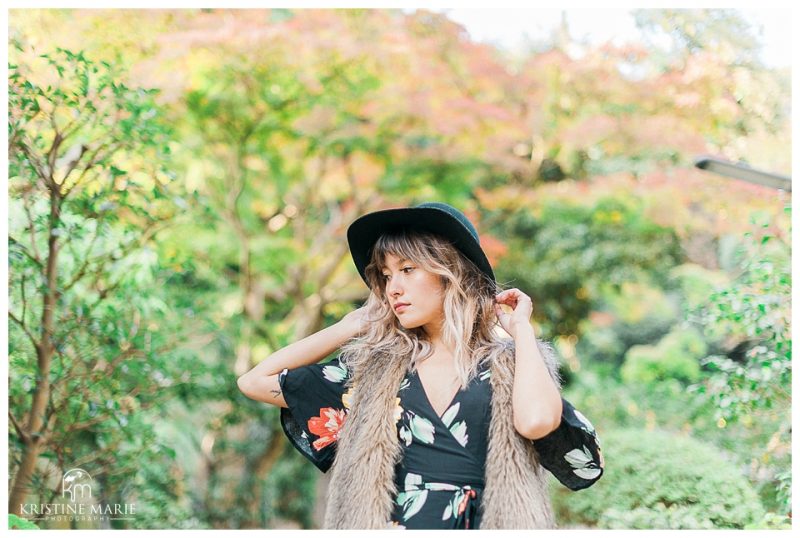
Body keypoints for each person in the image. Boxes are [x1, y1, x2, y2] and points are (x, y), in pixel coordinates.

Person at [238, 201, 604, 529]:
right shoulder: (373, 372)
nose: (392, 287)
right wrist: (347, 327)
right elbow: (255, 381)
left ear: (451, 273)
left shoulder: (510, 362)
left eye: (407, 269)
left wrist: (521, 332)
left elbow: (538, 421)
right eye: (385, 275)